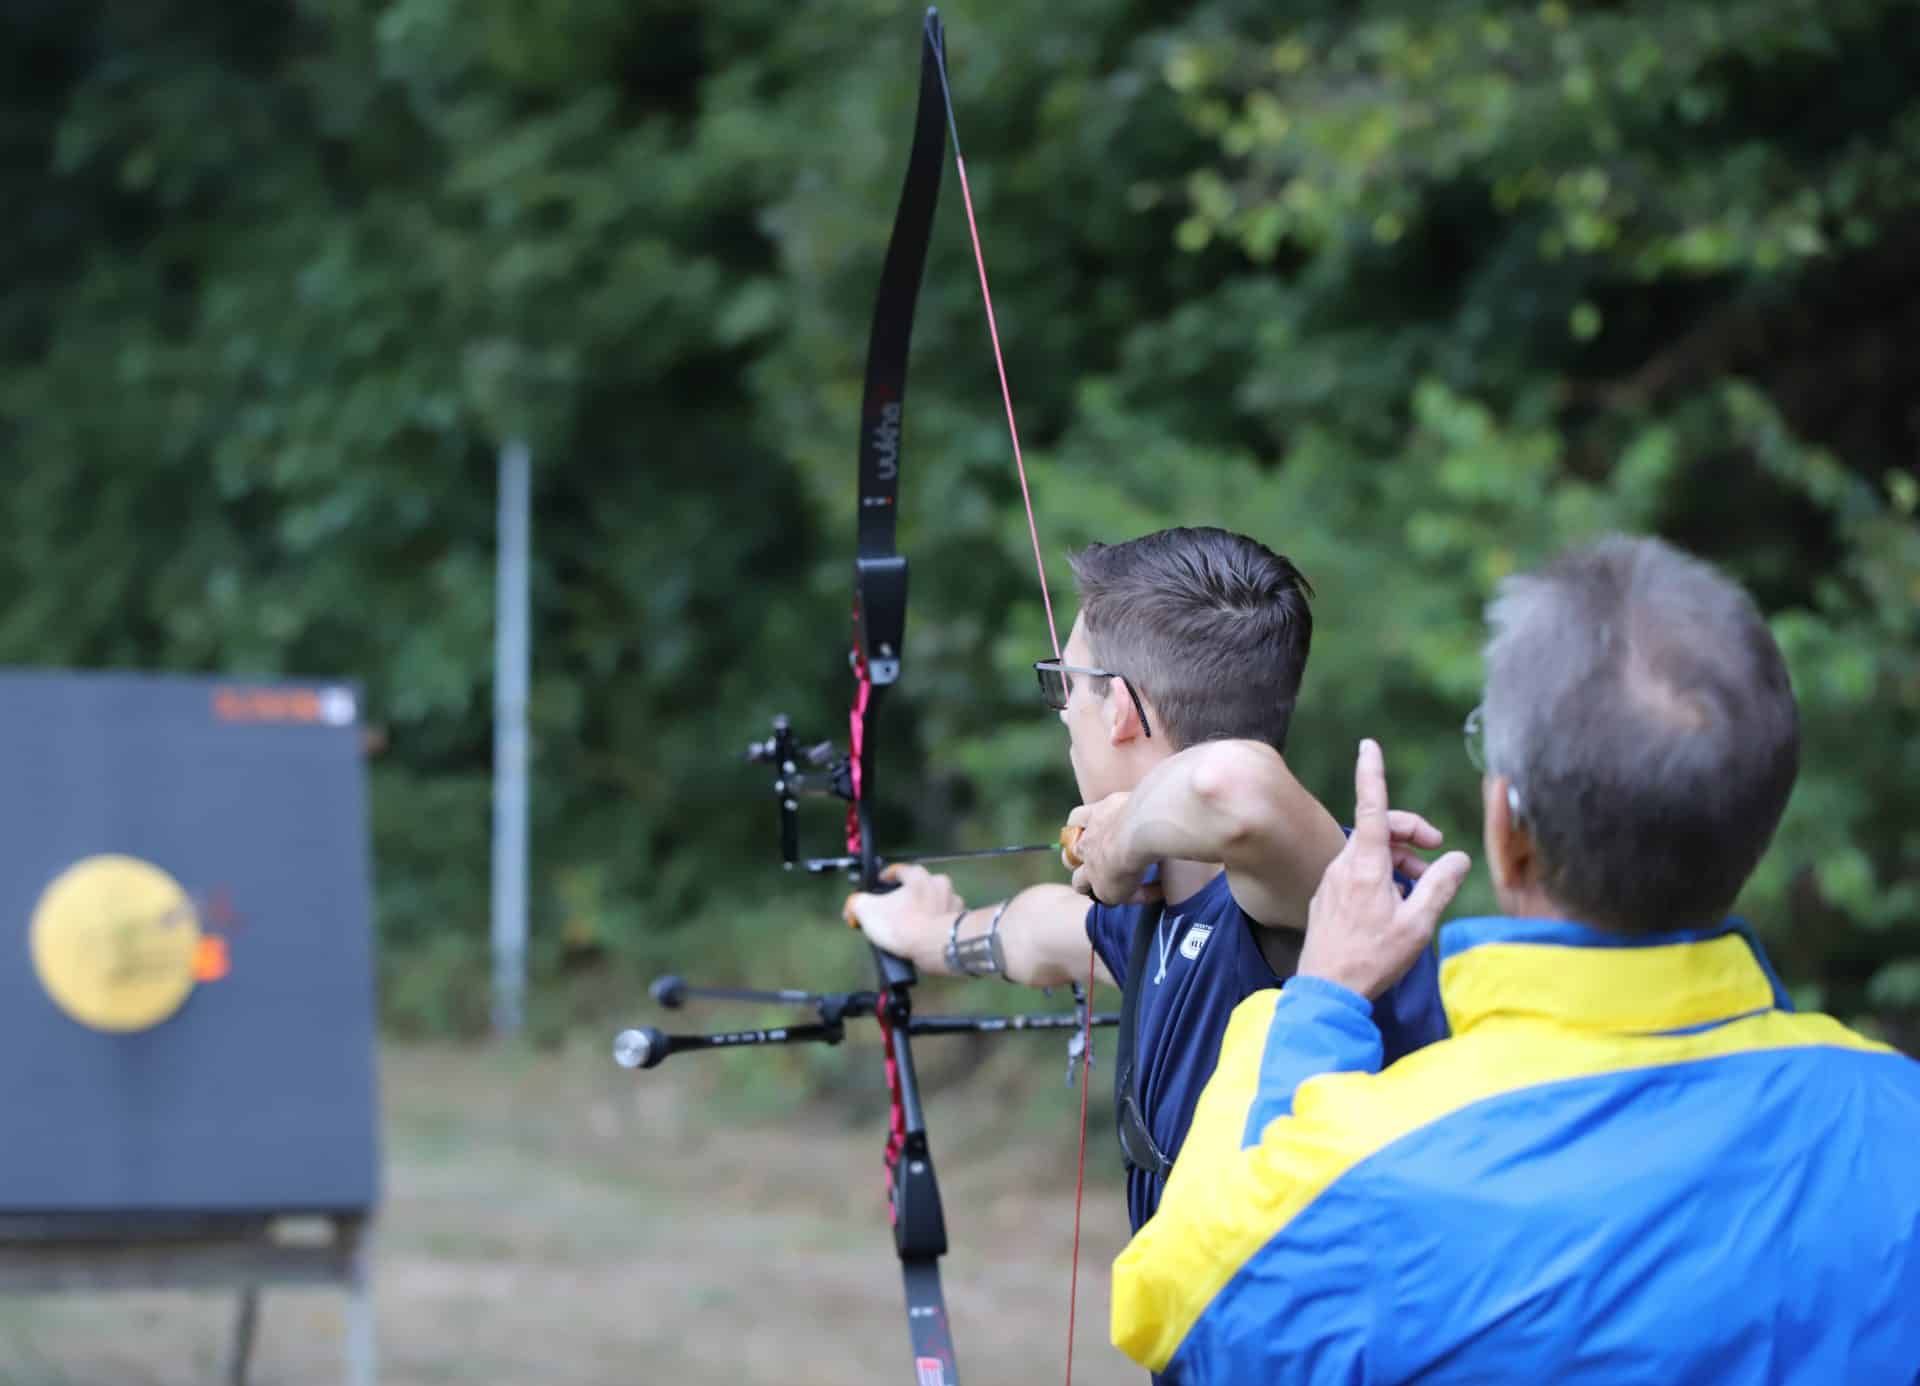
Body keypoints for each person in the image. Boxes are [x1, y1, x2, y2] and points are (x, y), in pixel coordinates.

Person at [1110, 534, 1920, 1384]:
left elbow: (1183, 1306)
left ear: (1507, 827)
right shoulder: (1898, 1113)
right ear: (1759, 824)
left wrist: (1319, 995)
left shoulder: (1361, 1174)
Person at [846, 526, 1451, 1237]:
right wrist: (935, 934)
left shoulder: (1318, 890)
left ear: (1121, 709)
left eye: (1064, 685)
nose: (1065, 713)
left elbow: (1233, 784)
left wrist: (1121, 838)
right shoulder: (1164, 896)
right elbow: (1048, 934)